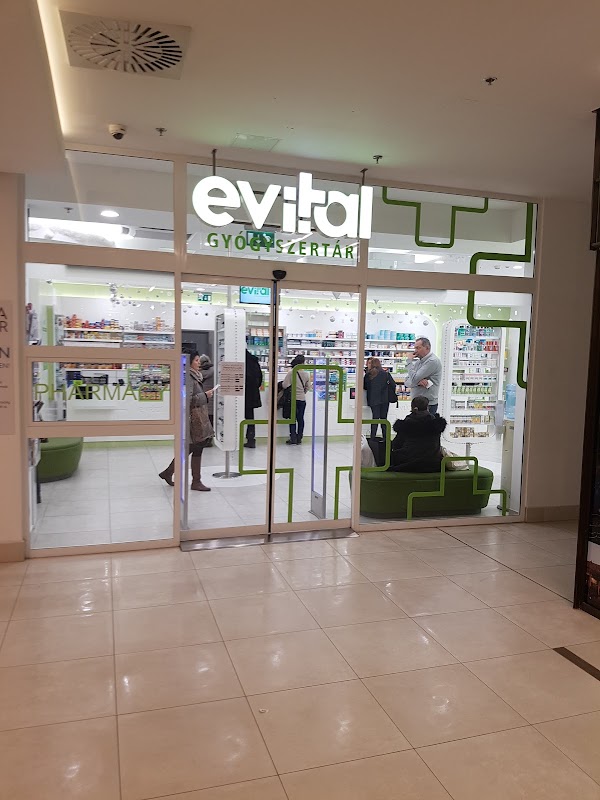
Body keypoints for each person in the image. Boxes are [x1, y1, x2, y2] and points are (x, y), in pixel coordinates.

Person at [159, 351, 214, 491]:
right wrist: (205, 396)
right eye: (196, 360)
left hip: (196, 419)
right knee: (195, 448)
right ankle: (195, 481)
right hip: (193, 420)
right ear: (189, 363)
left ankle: (169, 472)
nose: (199, 362)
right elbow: (188, 400)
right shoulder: (189, 377)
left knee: (191, 448)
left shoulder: (195, 376)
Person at [389, 395, 447, 472]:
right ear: (427, 407)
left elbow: (396, 444)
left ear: (412, 407)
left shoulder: (406, 423)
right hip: (432, 463)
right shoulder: (436, 423)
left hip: (408, 463)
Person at [405, 336, 442, 414]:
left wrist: (409, 361)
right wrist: (417, 383)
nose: (415, 351)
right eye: (415, 348)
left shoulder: (432, 361)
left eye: (418, 348)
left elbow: (414, 379)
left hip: (428, 404)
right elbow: (406, 381)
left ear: (427, 348)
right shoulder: (419, 362)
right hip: (416, 402)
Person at [283, 354, 312, 444]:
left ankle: (293, 438)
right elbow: (308, 387)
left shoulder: (291, 373)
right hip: (302, 400)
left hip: (292, 399)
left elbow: (285, 385)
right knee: (300, 419)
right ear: (303, 363)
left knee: (292, 419)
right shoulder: (306, 374)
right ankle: (299, 438)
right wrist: (302, 392)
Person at [363, 357, 394, 439]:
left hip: (373, 399)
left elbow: (365, 387)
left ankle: (372, 437)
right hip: (385, 399)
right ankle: (386, 438)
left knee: (375, 418)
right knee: (384, 419)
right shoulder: (386, 374)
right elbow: (393, 385)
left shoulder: (368, 375)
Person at [244, 349, 263, 448]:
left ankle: (234, 438)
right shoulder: (254, 361)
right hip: (252, 394)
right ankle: (251, 439)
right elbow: (260, 378)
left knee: (235, 416)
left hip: (241, 393)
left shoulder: (240, 362)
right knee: (250, 418)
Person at [199, 354, 214, 441]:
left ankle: (205, 439)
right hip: (212, 400)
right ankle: (209, 439)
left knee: (204, 422)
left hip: (204, 399)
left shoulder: (199, 374)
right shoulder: (214, 371)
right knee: (211, 421)